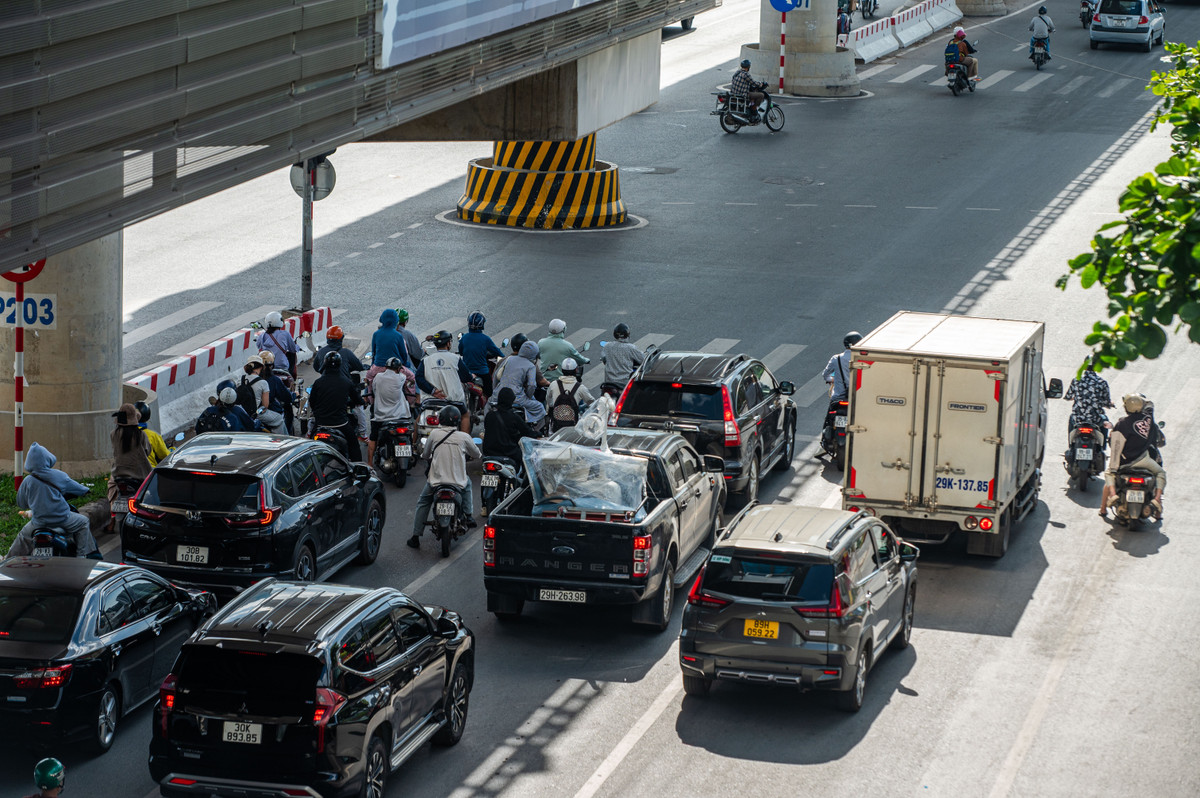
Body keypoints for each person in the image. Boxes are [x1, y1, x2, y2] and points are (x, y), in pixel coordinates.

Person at [7, 444, 98, 559]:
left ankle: (8, 561)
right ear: (47, 459)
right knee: (83, 522)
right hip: (62, 519)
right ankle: (81, 556)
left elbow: (21, 503)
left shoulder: (27, 481)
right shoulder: (59, 475)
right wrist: (87, 491)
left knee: (22, 536)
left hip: (39, 522)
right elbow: (79, 489)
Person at [408, 405, 480, 549]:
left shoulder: (434, 434)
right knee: (468, 485)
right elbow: (477, 454)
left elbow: (426, 455)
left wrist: (424, 455)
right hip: (458, 482)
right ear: (458, 421)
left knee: (423, 502)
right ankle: (469, 514)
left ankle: (415, 537)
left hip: (436, 482)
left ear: (440, 419)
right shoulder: (464, 437)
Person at [1100, 394, 1166, 518]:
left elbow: (1115, 447)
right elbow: (1150, 407)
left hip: (1125, 462)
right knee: (1160, 473)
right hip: (1143, 460)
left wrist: (1114, 466)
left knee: (1110, 474)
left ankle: (1107, 502)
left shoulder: (1122, 424)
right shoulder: (1148, 420)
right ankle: (1157, 500)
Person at [309, 351, 364, 461]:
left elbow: (312, 402)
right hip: (340, 424)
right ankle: (358, 470)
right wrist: (362, 401)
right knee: (354, 445)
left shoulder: (318, 382)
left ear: (325, 364)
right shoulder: (346, 382)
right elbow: (357, 399)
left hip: (320, 423)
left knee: (309, 444)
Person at [416, 331, 473, 429]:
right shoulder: (456, 359)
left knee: (419, 419)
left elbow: (418, 378)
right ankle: (464, 442)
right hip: (453, 401)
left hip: (430, 401)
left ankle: (413, 442)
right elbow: (466, 377)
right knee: (465, 416)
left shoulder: (426, 360)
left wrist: (432, 391)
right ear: (448, 343)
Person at [493, 339, 547, 429]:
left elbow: (496, 376)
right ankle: (534, 432)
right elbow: (531, 385)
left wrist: (495, 391)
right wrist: (528, 397)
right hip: (517, 398)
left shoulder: (509, 359)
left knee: (489, 407)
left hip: (498, 394)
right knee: (540, 408)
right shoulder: (531, 366)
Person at [369, 357, 411, 465]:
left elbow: (374, 389)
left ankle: (369, 464)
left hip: (381, 417)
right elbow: (410, 375)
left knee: (373, 438)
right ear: (398, 369)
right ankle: (413, 449)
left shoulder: (378, 377)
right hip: (400, 416)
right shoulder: (401, 377)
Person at [109, 402, 152, 502]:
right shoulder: (141, 434)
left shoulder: (113, 434)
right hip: (140, 475)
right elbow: (148, 451)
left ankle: (113, 515)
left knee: (111, 492)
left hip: (118, 475)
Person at [483, 387, 541, 462]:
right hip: (508, 453)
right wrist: (538, 433)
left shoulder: (489, 415)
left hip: (489, 452)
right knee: (529, 459)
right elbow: (527, 432)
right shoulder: (513, 417)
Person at [458, 311, 504, 398]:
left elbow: (461, 352)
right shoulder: (485, 339)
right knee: (490, 394)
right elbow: (497, 352)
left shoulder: (464, 338)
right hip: (482, 372)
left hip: (467, 372)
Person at [546, 358, 595, 433]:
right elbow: (592, 403)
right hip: (573, 427)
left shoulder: (553, 384)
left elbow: (549, 402)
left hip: (555, 426)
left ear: (562, 370)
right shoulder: (580, 388)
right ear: (576, 370)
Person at [1064, 363, 1113, 438]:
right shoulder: (1102, 382)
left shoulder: (1076, 380)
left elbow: (1068, 396)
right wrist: (1109, 404)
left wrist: (1077, 397)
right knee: (1105, 418)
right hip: (1096, 419)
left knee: (1071, 417)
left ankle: (1071, 443)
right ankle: (1103, 446)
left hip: (1078, 419)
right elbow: (1106, 402)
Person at [240, 355, 286, 434]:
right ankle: (282, 441)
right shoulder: (263, 383)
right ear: (261, 367)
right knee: (279, 419)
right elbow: (265, 405)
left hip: (243, 413)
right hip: (256, 414)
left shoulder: (241, 380)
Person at [258, 350, 296, 435]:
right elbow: (286, 397)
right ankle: (286, 439)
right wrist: (293, 396)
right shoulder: (274, 380)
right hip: (265, 412)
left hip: (254, 411)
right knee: (280, 419)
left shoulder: (250, 379)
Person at [368, 309, 411, 384]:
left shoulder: (376, 334)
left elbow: (374, 352)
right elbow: (403, 354)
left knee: (368, 380)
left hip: (378, 367)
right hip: (395, 368)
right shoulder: (398, 335)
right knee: (412, 377)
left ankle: (368, 396)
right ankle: (414, 396)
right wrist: (405, 363)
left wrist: (373, 364)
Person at [256, 311, 298, 379]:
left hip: (266, 367)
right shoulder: (285, 334)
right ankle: (292, 377)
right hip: (282, 367)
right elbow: (293, 349)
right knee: (292, 355)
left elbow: (258, 346)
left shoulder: (262, 336)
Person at [601, 323, 644, 388]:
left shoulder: (607, 346)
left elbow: (604, 359)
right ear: (627, 334)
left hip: (608, 383)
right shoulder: (631, 348)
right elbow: (643, 360)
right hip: (624, 384)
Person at [823, 331, 861, 402]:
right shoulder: (863, 359)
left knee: (831, 412)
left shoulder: (836, 358)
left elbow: (825, 375)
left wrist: (831, 379)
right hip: (858, 399)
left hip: (838, 397)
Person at [135, 401, 170, 466]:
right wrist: (172, 450)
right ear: (147, 416)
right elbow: (165, 455)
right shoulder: (152, 435)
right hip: (148, 472)